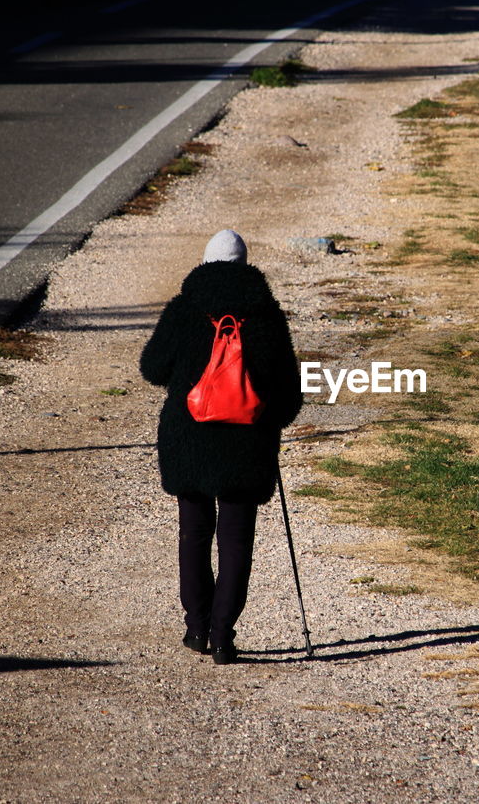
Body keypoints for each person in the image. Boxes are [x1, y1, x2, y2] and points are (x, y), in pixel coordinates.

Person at [140, 229, 303, 664]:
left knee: (194, 533)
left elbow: (152, 368)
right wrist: (269, 426)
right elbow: (290, 393)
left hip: (188, 437)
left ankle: (195, 628)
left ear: (205, 263)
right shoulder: (266, 315)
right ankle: (223, 636)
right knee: (236, 540)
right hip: (246, 442)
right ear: (245, 266)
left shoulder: (183, 309)